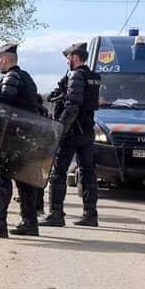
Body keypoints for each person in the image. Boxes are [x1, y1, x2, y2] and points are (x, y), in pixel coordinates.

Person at [0, 43, 40, 238]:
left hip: (12, 137)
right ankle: (30, 223)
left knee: (1, 179)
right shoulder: (26, 77)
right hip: (27, 138)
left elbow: (5, 105)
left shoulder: (11, 77)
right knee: (24, 180)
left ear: (5, 58)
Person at [40, 42, 102, 228]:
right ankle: (90, 214)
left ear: (74, 57)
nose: (67, 61)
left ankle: (56, 214)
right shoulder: (93, 77)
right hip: (87, 131)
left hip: (72, 132)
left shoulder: (76, 75)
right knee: (88, 173)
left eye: (68, 58)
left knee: (58, 173)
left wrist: (60, 128)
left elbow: (73, 106)